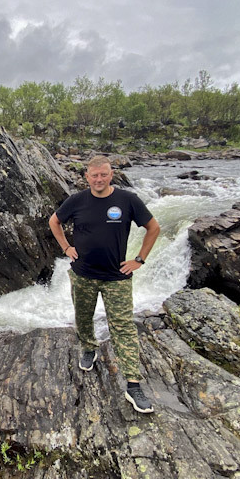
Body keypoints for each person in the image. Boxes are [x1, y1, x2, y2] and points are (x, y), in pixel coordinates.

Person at [48, 156, 160, 414]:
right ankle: (89, 348)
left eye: (104, 175)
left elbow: (153, 228)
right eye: (94, 175)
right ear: (86, 177)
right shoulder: (76, 201)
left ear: (111, 175)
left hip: (117, 277)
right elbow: (54, 221)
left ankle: (133, 385)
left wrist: (139, 259)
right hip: (83, 274)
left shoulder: (127, 200)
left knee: (123, 328)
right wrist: (66, 247)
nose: (99, 179)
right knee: (83, 317)